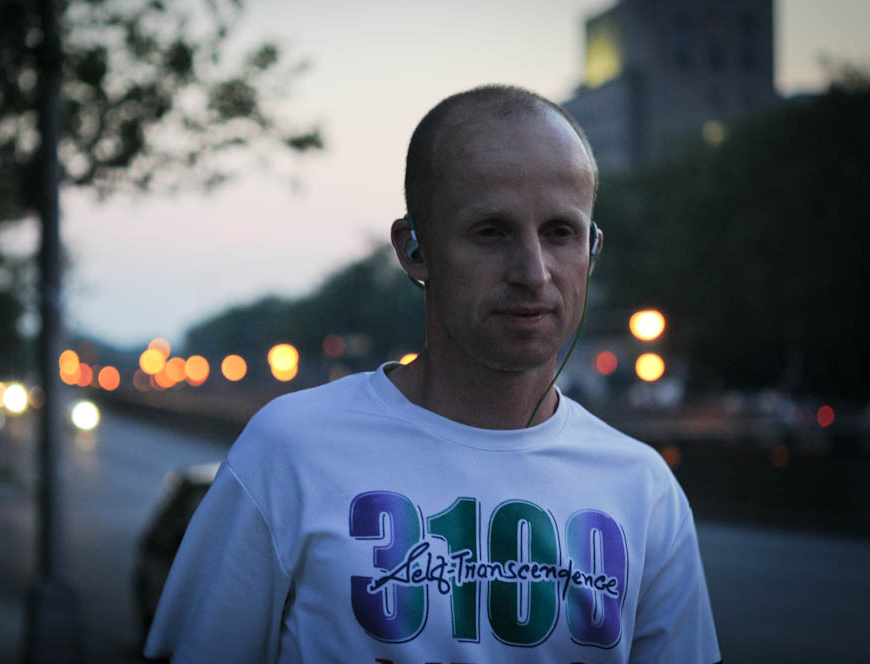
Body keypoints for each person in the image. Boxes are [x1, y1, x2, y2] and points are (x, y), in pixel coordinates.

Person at [144, 84, 721, 663]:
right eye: (491, 232)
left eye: (560, 233)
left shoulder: (645, 491)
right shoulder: (288, 453)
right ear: (414, 249)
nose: (533, 272)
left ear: (591, 251)